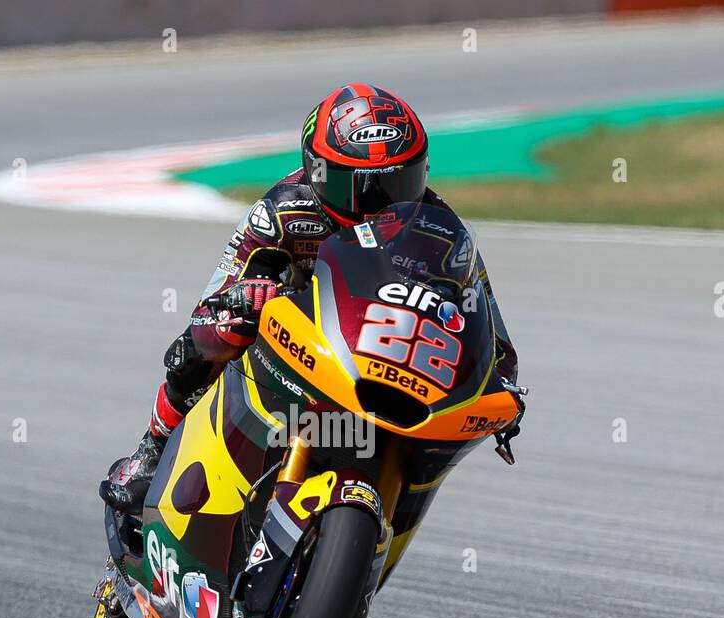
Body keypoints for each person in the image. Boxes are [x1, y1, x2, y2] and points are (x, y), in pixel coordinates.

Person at [102, 83, 520, 513]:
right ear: (318, 171)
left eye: (399, 183)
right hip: (300, 334)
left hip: (386, 352)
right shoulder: (283, 209)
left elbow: (489, 327)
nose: (379, 206)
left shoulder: (443, 232)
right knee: (207, 336)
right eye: (363, 190)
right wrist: (246, 296)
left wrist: (501, 386)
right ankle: (152, 448)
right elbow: (211, 303)